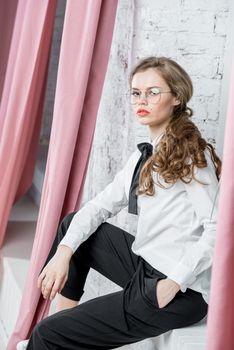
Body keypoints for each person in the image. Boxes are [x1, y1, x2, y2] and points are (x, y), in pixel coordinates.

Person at [25, 56, 221, 349]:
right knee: (73, 228)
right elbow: (98, 207)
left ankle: (54, 337)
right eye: (135, 92)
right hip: (147, 267)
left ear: (177, 97)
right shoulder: (144, 156)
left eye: (153, 92)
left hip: (178, 291)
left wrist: (175, 282)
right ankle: (62, 332)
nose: (142, 100)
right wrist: (63, 253)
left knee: (45, 334)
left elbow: (218, 229)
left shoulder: (191, 156)